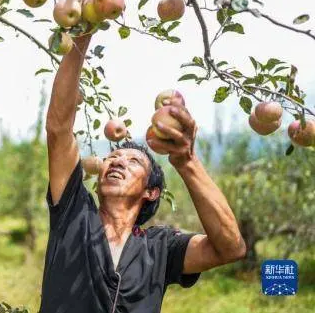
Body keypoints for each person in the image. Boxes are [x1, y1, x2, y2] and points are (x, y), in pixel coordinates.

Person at [40, 33, 247, 313]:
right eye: (113, 157)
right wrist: (83, 31)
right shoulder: (74, 215)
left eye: (133, 161)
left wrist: (187, 161)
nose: (117, 162)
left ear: (151, 192)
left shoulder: (160, 249)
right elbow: (58, 129)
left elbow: (231, 248)